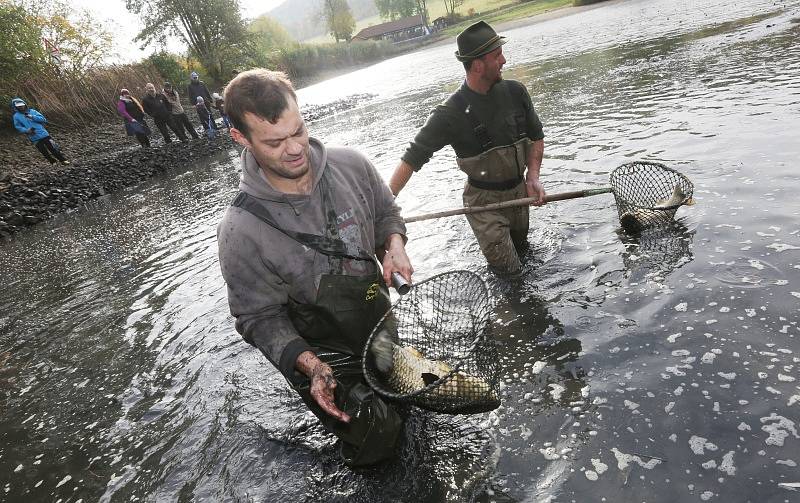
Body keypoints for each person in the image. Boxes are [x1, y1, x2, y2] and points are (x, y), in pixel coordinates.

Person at [217, 68, 413, 466]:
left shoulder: (352, 165)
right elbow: (257, 318)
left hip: (377, 321)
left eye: (298, 131)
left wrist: (393, 245)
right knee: (378, 438)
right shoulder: (239, 230)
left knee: (407, 406)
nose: (294, 148)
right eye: (274, 142)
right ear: (241, 138)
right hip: (321, 354)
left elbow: (385, 214)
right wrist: (311, 366)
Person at [389, 21, 546, 274]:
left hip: (519, 192)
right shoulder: (448, 114)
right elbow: (411, 158)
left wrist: (534, 177)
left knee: (523, 254)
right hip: (484, 204)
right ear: (477, 65)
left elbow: (536, 137)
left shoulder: (516, 92)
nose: (504, 60)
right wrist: (385, 206)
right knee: (511, 273)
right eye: (497, 56)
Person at [10, 98, 70, 165]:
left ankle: (63, 160)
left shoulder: (32, 111)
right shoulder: (16, 116)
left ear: (25, 104)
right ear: (15, 107)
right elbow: (18, 127)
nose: (21, 107)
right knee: (43, 151)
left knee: (53, 148)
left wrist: (32, 117)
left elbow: (43, 119)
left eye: (22, 105)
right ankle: (52, 161)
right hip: (33, 136)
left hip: (44, 134)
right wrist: (26, 130)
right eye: (19, 106)